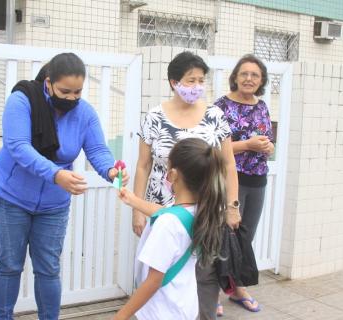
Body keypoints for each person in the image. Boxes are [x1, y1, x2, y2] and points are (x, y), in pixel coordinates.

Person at [0, 52, 128, 320]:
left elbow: (97, 149)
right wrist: (56, 175)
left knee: (48, 268)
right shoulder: (22, 101)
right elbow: (18, 147)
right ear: (49, 83)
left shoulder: (84, 113)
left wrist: (111, 170)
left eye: (78, 92)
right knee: (9, 265)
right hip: (11, 198)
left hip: (54, 205)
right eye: (65, 91)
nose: (71, 98)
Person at [131, 51, 240, 319]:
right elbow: (143, 165)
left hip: (205, 212)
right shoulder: (155, 116)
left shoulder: (215, 115)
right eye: (190, 81)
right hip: (162, 210)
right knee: (161, 274)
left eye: (201, 80)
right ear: (173, 82)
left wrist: (232, 205)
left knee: (203, 276)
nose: (196, 87)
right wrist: (137, 210)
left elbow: (228, 164)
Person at [114, 138, 226, 320]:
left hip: (162, 311)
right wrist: (133, 201)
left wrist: (119, 317)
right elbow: (169, 213)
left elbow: (153, 281)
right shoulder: (201, 210)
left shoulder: (168, 225)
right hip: (183, 304)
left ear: (173, 175)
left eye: (167, 168)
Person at [214, 54, 274, 313]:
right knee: (221, 234)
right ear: (235, 77)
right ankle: (213, 291)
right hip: (228, 178)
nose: (249, 79)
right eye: (244, 74)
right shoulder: (220, 107)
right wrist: (248, 145)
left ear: (261, 81)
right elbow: (213, 147)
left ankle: (237, 288)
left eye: (255, 75)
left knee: (245, 235)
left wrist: (268, 146)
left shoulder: (262, 106)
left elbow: (268, 140)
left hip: (257, 178)